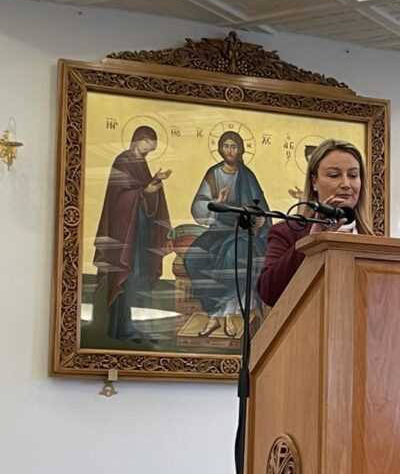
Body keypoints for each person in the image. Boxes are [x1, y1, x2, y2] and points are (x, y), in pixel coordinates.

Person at [258, 138, 372, 306]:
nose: (346, 184)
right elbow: (269, 292)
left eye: (353, 175)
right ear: (314, 182)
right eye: (334, 175)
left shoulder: (373, 240)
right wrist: (312, 242)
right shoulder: (286, 232)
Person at [185, 131, 270, 337]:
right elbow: (198, 206)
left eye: (233, 146)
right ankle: (214, 315)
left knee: (233, 257)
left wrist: (256, 220)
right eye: (226, 146)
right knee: (193, 257)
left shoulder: (247, 176)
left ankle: (228, 314)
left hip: (242, 231)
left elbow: (261, 210)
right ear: (220, 149)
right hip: (218, 229)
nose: (230, 150)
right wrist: (217, 203)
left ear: (240, 149)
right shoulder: (213, 174)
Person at [93, 125, 172, 344]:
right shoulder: (123, 161)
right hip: (124, 234)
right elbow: (119, 198)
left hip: (139, 232)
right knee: (125, 276)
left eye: (152, 149)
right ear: (139, 139)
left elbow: (143, 192)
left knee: (136, 277)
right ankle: (122, 328)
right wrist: (145, 191)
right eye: (148, 146)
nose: (149, 151)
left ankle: (132, 326)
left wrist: (154, 182)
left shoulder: (141, 163)